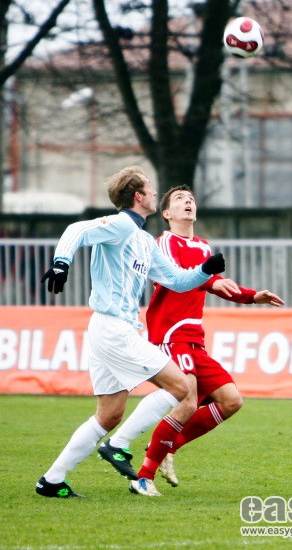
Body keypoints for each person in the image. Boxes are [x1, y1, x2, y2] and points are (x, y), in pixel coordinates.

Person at [35, 167, 225, 499]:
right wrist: (61, 262)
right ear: (138, 196)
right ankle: (119, 445)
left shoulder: (144, 241)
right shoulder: (122, 225)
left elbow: (176, 281)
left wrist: (204, 271)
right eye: (150, 189)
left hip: (108, 329)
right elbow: (76, 229)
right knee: (181, 387)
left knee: (109, 414)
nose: (155, 193)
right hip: (113, 327)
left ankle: (52, 480)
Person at [102, 184, 284, 496]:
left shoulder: (203, 247)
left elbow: (213, 281)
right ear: (166, 213)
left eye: (191, 199)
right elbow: (181, 276)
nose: (188, 202)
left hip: (194, 339)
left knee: (231, 401)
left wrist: (253, 296)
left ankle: (168, 446)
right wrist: (210, 278)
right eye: (179, 199)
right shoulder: (163, 242)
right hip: (170, 334)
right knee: (187, 401)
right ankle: (143, 478)